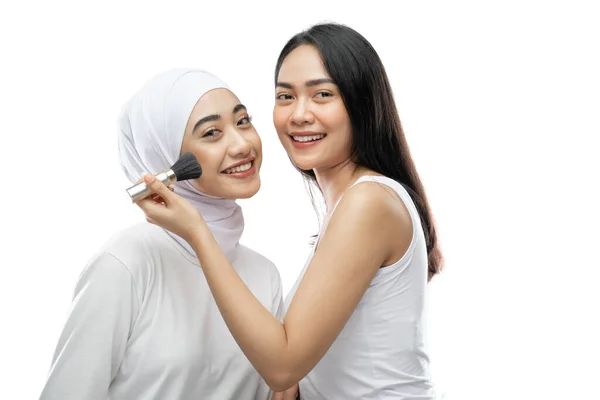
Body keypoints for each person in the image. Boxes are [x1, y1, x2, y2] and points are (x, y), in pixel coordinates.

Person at [136, 22, 443, 400]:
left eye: (322, 95)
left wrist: (197, 232)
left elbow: (281, 364)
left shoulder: (369, 203)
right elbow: (300, 359)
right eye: (285, 96)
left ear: (361, 104)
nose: (299, 114)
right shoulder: (351, 205)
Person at [39, 69, 284, 400]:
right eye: (212, 132)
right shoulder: (125, 264)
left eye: (243, 121)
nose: (242, 144)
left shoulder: (264, 275)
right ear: (164, 156)